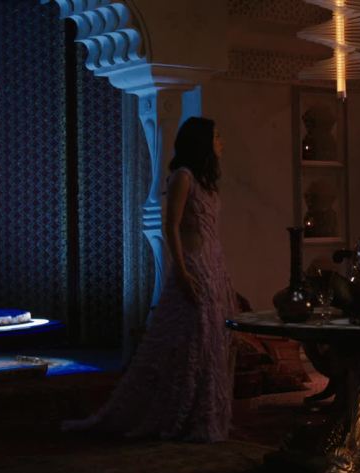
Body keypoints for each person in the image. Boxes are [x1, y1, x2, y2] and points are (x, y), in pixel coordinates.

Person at [62, 117, 238, 443]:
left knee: (211, 341)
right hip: (195, 265)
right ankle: (180, 412)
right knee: (192, 341)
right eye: (216, 136)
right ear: (202, 142)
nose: (221, 142)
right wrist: (182, 271)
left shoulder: (206, 182)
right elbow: (171, 226)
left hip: (213, 264)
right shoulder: (183, 177)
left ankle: (207, 414)